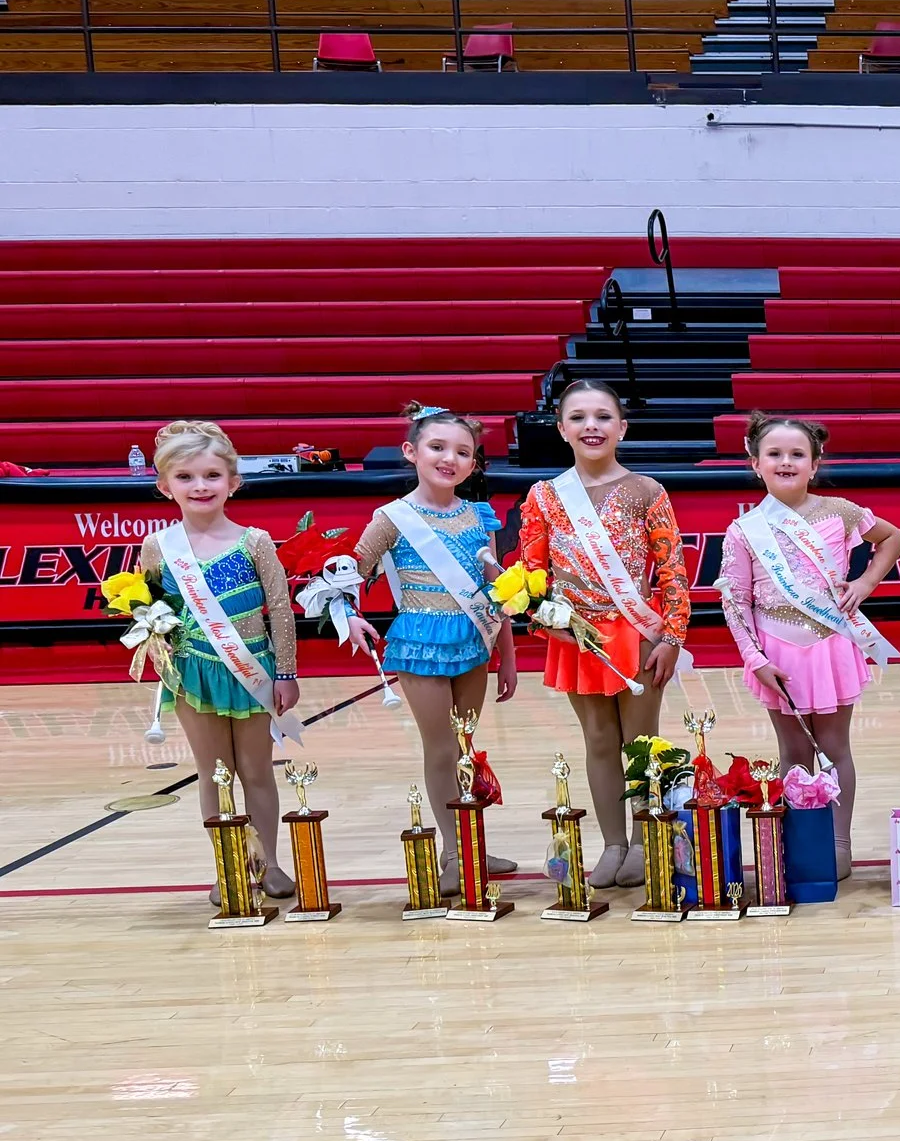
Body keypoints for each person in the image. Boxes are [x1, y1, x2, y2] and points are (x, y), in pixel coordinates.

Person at [510, 377, 690, 888]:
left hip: (637, 633)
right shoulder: (545, 495)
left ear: (622, 427)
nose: (592, 426)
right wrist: (549, 624)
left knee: (641, 742)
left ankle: (645, 838)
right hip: (576, 635)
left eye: (603, 416)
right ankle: (613, 842)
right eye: (579, 417)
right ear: (562, 429)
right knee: (598, 738)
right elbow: (530, 573)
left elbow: (673, 571)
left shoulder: (647, 490)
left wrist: (672, 637)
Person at [718, 413, 900, 879]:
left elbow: (893, 538)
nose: (786, 462)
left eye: (797, 454)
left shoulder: (839, 511)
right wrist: (755, 659)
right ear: (755, 463)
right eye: (774, 454)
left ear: (815, 464)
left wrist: (865, 582)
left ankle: (839, 843)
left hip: (829, 646)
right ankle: (802, 840)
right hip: (776, 652)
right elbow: (736, 600)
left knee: (835, 747)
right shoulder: (744, 530)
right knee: (793, 752)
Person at [339, 405, 520, 892]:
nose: (449, 459)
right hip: (419, 642)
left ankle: (469, 844)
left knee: (464, 747)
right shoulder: (391, 518)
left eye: (462, 452)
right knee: (441, 748)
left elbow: (499, 590)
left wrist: (508, 655)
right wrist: (348, 613)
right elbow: (346, 574)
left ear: (473, 462)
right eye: (437, 447)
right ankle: (454, 853)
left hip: (474, 641)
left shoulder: (478, 515)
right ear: (411, 452)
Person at [133, 420, 301, 898]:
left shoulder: (256, 541)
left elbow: (280, 610)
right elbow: (151, 609)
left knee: (256, 771)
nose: (200, 486)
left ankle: (268, 863)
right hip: (193, 675)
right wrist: (156, 642)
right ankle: (229, 866)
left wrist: (286, 672)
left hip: (253, 672)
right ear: (165, 486)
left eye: (211, 475)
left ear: (234, 481)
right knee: (214, 773)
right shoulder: (157, 547)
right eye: (185, 477)